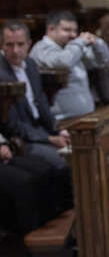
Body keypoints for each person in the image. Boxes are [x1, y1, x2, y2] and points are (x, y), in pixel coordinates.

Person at [0, 22, 70, 169]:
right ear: (2, 45)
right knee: (62, 162)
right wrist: (50, 139)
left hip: (41, 130)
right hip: (22, 139)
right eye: (9, 45)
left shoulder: (30, 64)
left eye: (20, 44)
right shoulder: (1, 74)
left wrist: (59, 130)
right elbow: (13, 125)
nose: (15, 50)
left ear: (29, 44)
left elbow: (42, 102)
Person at [28, 9, 109, 119]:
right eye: (67, 30)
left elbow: (103, 61)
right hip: (61, 121)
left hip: (85, 117)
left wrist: (96, 42)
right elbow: (64, 62)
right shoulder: (41, 49)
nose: (73, 35)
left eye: (75, 31)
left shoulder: (72, 48)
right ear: (51, 29)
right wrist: (80, 42)